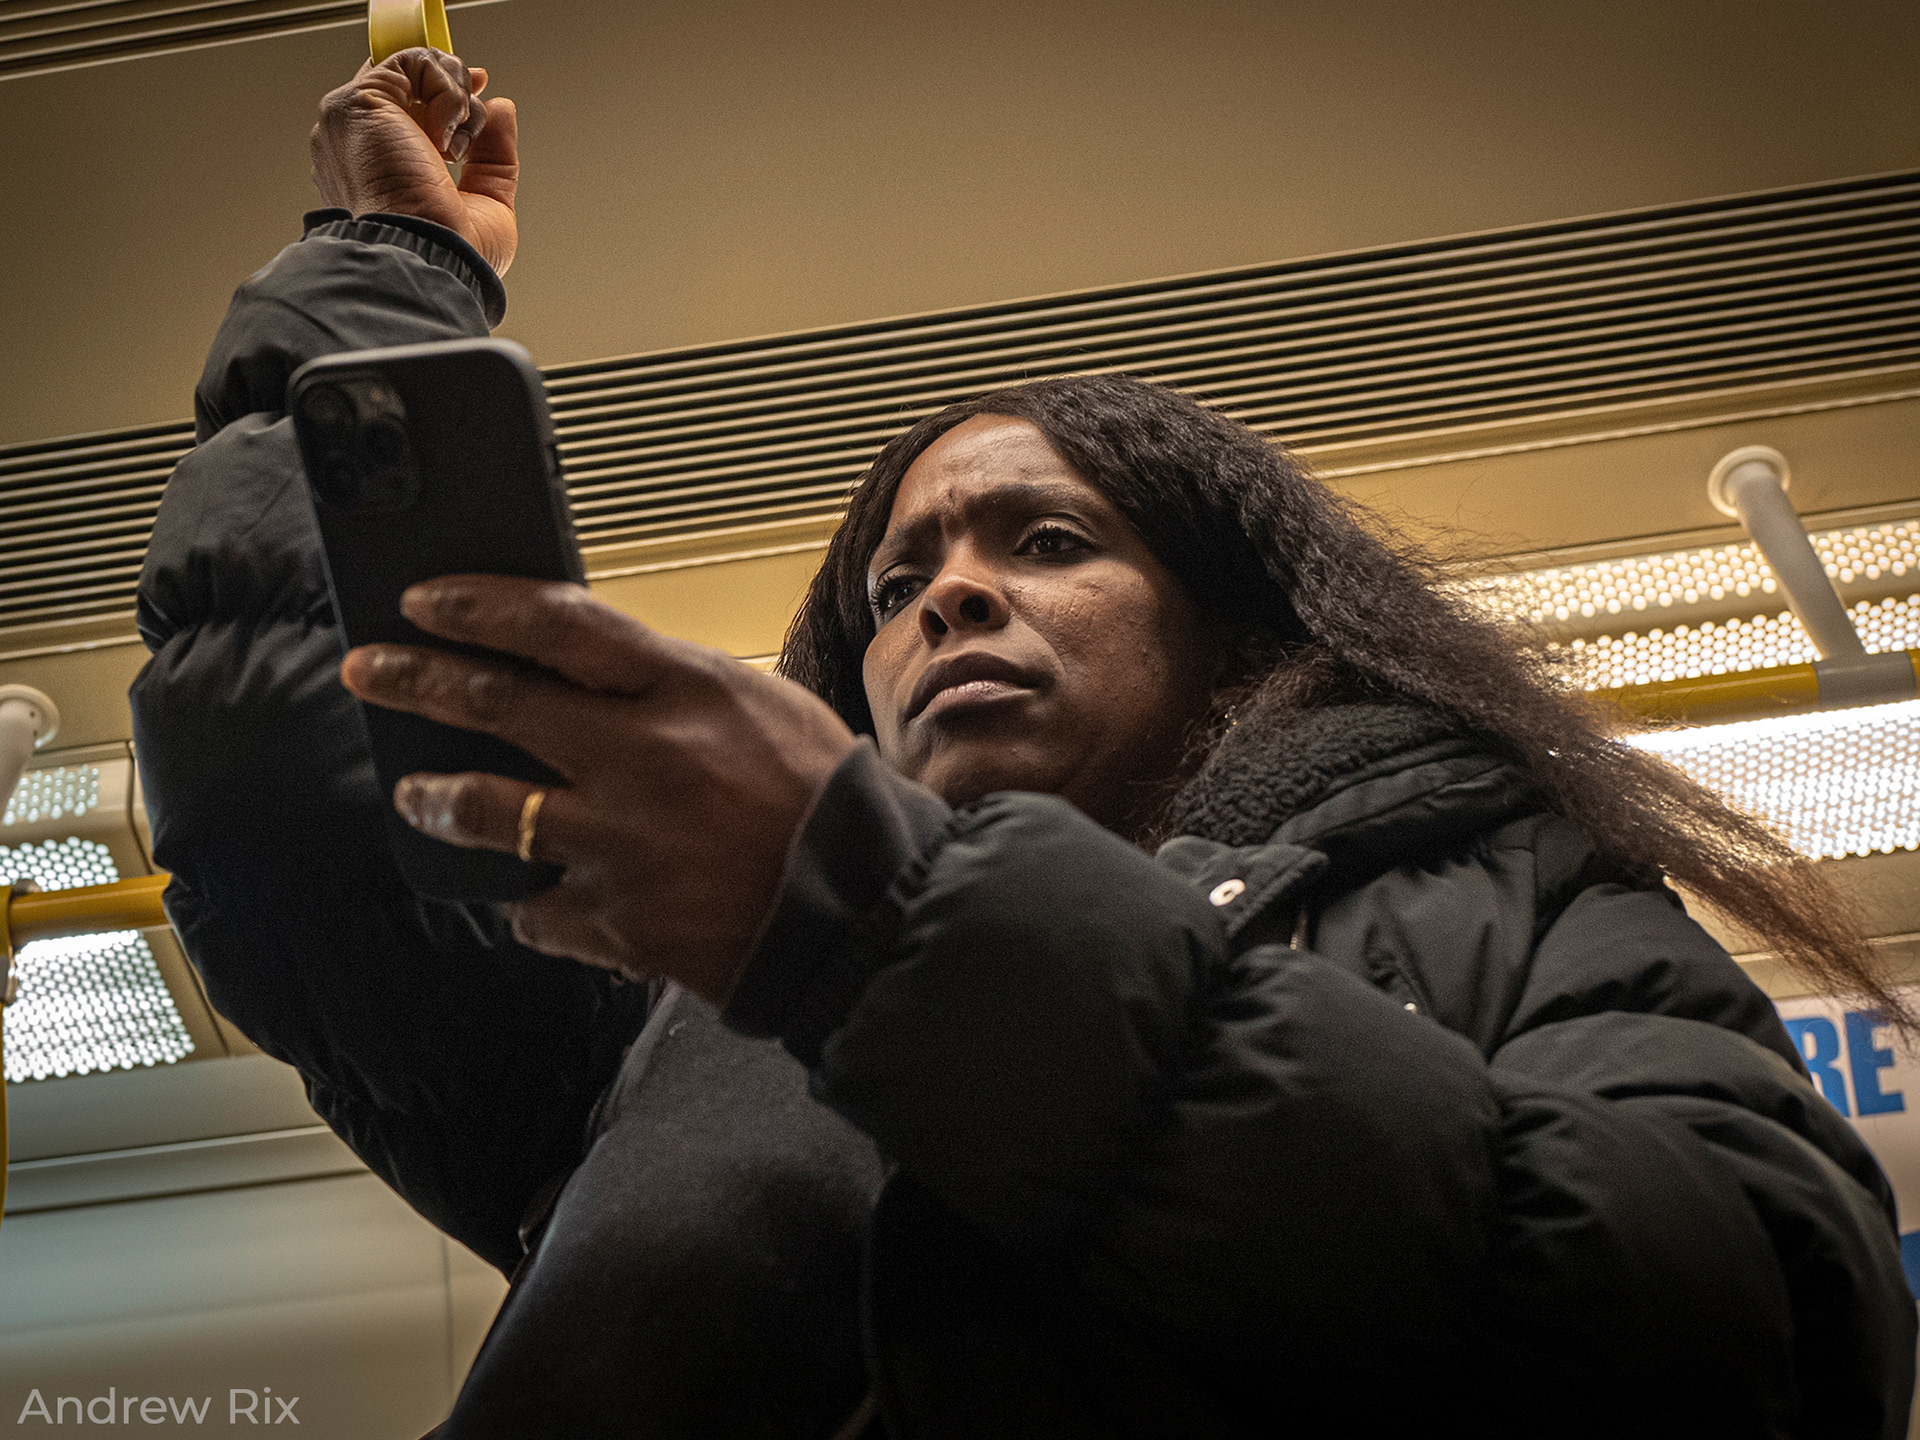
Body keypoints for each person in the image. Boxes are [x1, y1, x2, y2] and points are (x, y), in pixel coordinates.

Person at [129, 47, 1917, 1440]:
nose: (950, 600)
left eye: (1047, 541)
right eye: (898, 584)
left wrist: (892, 931)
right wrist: (391, 270)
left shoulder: (1490, 885)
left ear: (1231, 625)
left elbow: (1755, 1333)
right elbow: (293, 797)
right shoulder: (688, 987)